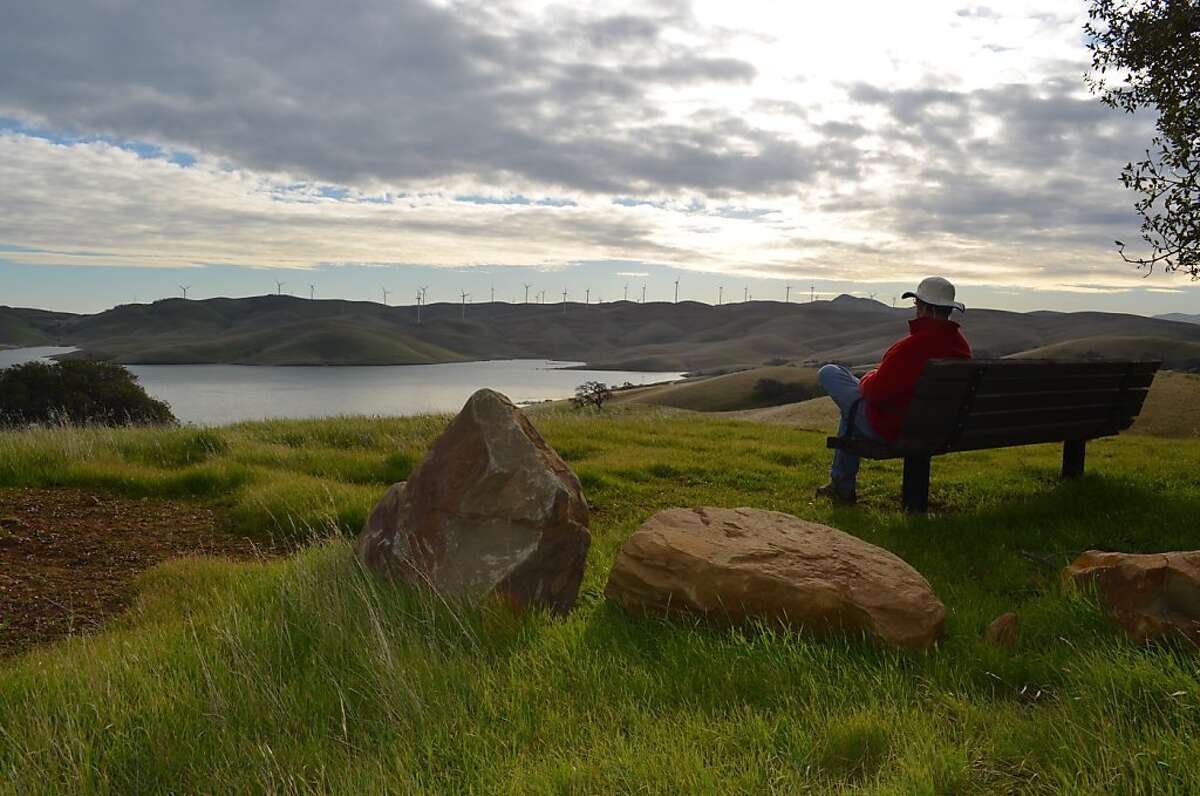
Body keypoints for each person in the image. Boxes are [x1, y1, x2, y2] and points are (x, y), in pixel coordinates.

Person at [815, 276, 972, 504]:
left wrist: (868, 378)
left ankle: (841, 486)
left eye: (917, 305)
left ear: (924, 308)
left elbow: (874, 392)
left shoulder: (914, 345)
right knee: (851, 406)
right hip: (940, 429)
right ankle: (840, 484)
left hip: (895, 428)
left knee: (830, 373)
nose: (915, 310)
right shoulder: (960, 345)